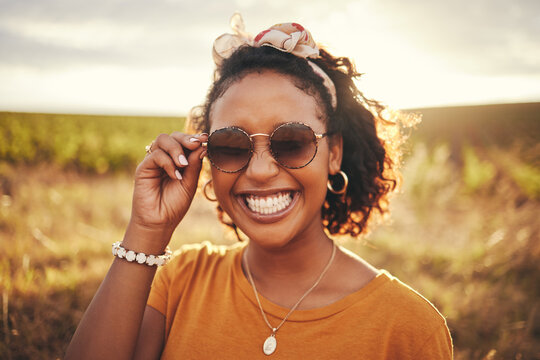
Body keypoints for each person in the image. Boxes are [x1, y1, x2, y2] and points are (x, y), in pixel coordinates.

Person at [66, 14, 453, 359]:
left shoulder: (408, 329)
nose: (262, 170)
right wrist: (147, 231)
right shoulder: (179, 282)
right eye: (231, 146)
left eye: (291, 141)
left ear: (333, 152)